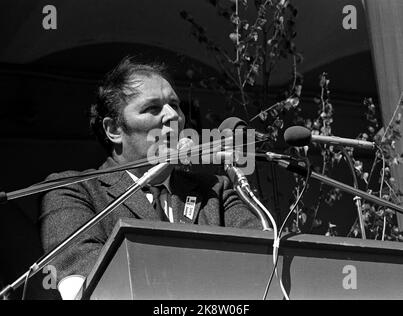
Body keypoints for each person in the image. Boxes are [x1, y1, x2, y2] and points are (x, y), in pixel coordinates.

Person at [39, 56, 262, 299]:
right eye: (152, 108)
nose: (172, 116)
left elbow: (261, 268)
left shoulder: (215, 190)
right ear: (113, 129)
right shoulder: (74, 191)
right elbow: (87, 288)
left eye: (175, 105)